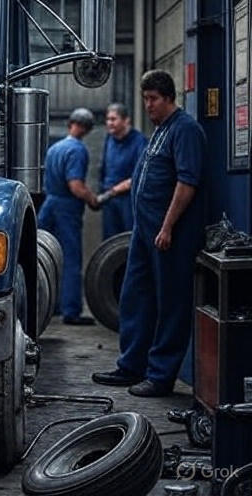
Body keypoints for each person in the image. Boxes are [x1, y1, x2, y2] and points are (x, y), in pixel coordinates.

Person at [92, 70, 205, 397]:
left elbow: (187, 183)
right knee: (134, 297)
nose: (148, 105)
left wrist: (168, 226)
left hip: (169, 236)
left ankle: (160, 375)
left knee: (170, 304)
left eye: (153, 99)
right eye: (145, 99)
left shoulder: (185, 130)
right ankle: (131, 366)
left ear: (169, 98)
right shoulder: (159, 132)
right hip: (144, 233)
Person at [38, 108, 99, 326]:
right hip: (66, 207)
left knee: (47, 257)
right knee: (71, 259)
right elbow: (75, 186)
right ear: (87, 128)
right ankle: (71, 311)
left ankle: (49, 306)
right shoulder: (78, 150)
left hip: (49, 205)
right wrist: (92, 199)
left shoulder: (55, 148)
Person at [98, 103, 148, 240]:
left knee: (128, 241)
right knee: (110, 243)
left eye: (113, 119)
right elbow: (103, 168)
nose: (109, 123)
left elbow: (141, 175)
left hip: (129, 201)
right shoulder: (109, 140)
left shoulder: (139, 141)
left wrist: (115, 190)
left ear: (126, 120)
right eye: (108, 119)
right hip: (110, 202)